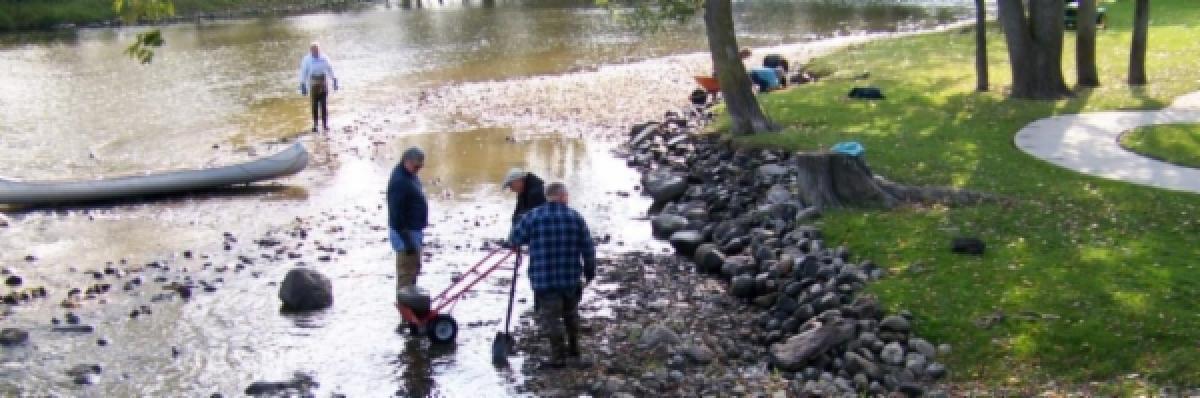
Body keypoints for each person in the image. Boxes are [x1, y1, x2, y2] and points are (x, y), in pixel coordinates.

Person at [508, 182, 596, 367]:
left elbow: (515, 239)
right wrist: (590, 270)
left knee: (552, 319)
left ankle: (558, 357)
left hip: (544, 278)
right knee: (571, 314)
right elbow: (588, 247)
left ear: (548, 196)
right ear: (563, 196)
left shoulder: (533, 216)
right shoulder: (576, 217)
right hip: (570, 277)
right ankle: (574, 350)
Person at [387, 147, 428, 293]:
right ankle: (405, 313)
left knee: (413, 270)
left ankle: (411, 308)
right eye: (416, 166)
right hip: (405, 234)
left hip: (413, 231)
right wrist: (408, 241)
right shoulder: (399, 181)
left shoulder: (408, 174)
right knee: (406, 275)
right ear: (407, 161)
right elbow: (396, 214)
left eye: (420, 166)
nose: (418, 169)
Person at [298, 42, 339, 133]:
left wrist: (334, 80)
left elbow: (330, 69)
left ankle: (325, 125)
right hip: (313, 84)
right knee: (314, 105)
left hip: (323, 82)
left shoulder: (324, 58)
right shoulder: (307, 60)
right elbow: (303, 72)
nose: (316, 52)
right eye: (314, 51)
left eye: (317, 50)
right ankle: (315, 125)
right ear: (311, 51)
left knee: (324, 104)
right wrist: (302, 85)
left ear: (319, 50)